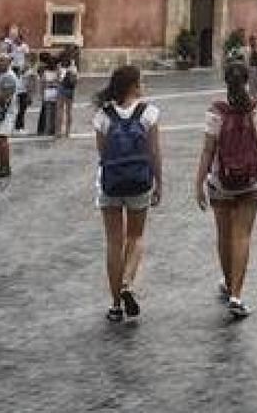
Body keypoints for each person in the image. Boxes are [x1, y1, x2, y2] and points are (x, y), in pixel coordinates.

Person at [195, 62, 257, 319]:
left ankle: (229, 285)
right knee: (242, 236)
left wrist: (198, 183)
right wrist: (252, 154)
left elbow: (208, 150)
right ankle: (237, 295)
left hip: (221, 180)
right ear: (247, 80)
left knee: (224, 236)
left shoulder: (216, 110)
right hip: (250, 181)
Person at [93, 65, 163, 323]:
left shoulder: (103, 115)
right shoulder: (149, 113)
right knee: (136, 236)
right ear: (134, 85)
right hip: (139, 182)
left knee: (113, 242)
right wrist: (159, 183)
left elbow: (102, 154)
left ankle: (114, 306)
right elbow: (154, 153)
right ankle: (127, 283)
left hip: (110, 183)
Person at [0, 53, 19, 179]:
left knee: (2, 139)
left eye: (2, 61)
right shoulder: (3, 75)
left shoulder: (9, 77)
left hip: (6, 112)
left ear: (8, 62)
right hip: (2, 111)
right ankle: (2, 165)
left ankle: (5, 167)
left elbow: (5, 95)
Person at [56, 48, 79, 138]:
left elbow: (58, 79)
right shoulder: (73, 66)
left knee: (59, 111)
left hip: (61, 88)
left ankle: (58, 132)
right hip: (70, 89)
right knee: (69, 111)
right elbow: (76, 79)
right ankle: (67, 132)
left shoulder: (59, 66)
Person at [15, 54, 39, 135]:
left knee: (21, 109)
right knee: (22, 110)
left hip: (19, 90)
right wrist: (30, 95)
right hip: (24, 91)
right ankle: (19, 127)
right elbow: (30, 85)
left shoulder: (24, 68)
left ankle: (18, 127)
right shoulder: (31, 71)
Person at [37, 53, 59, 136]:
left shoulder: (45, 73)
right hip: (53, 94)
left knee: (49, 113)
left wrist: (42, 94)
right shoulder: (56, 72)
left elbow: (42, 85)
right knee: (52, 113)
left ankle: (48, 130)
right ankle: (51, 129)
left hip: (48, 94)